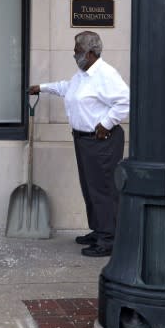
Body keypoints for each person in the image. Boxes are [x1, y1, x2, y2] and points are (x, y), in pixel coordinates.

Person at [29, 31, 129, 258]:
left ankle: (109, 239)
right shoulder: (83, 74)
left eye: (77, 51)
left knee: (103, 188)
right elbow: (67, 88)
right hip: (83, 139)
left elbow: (125, 101)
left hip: (101, 141)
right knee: (89, 187)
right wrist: (42, 87)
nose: (74, 55)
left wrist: (106, 123)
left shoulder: (105, 74)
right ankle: (99, 229)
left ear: (91, 53)